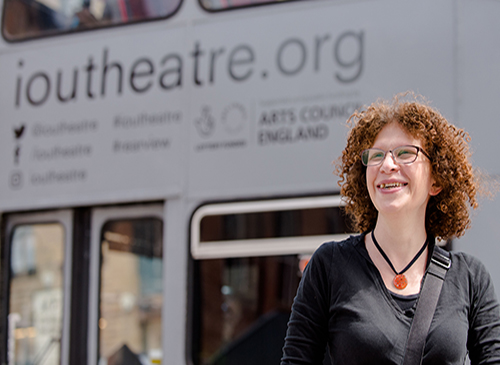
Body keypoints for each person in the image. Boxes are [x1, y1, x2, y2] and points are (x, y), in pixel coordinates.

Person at [281, 92, 500, 364]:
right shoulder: (329, 266)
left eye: (406, 153)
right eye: (376, 155)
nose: (387, 165)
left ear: (437, 180)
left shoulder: (470, 277)